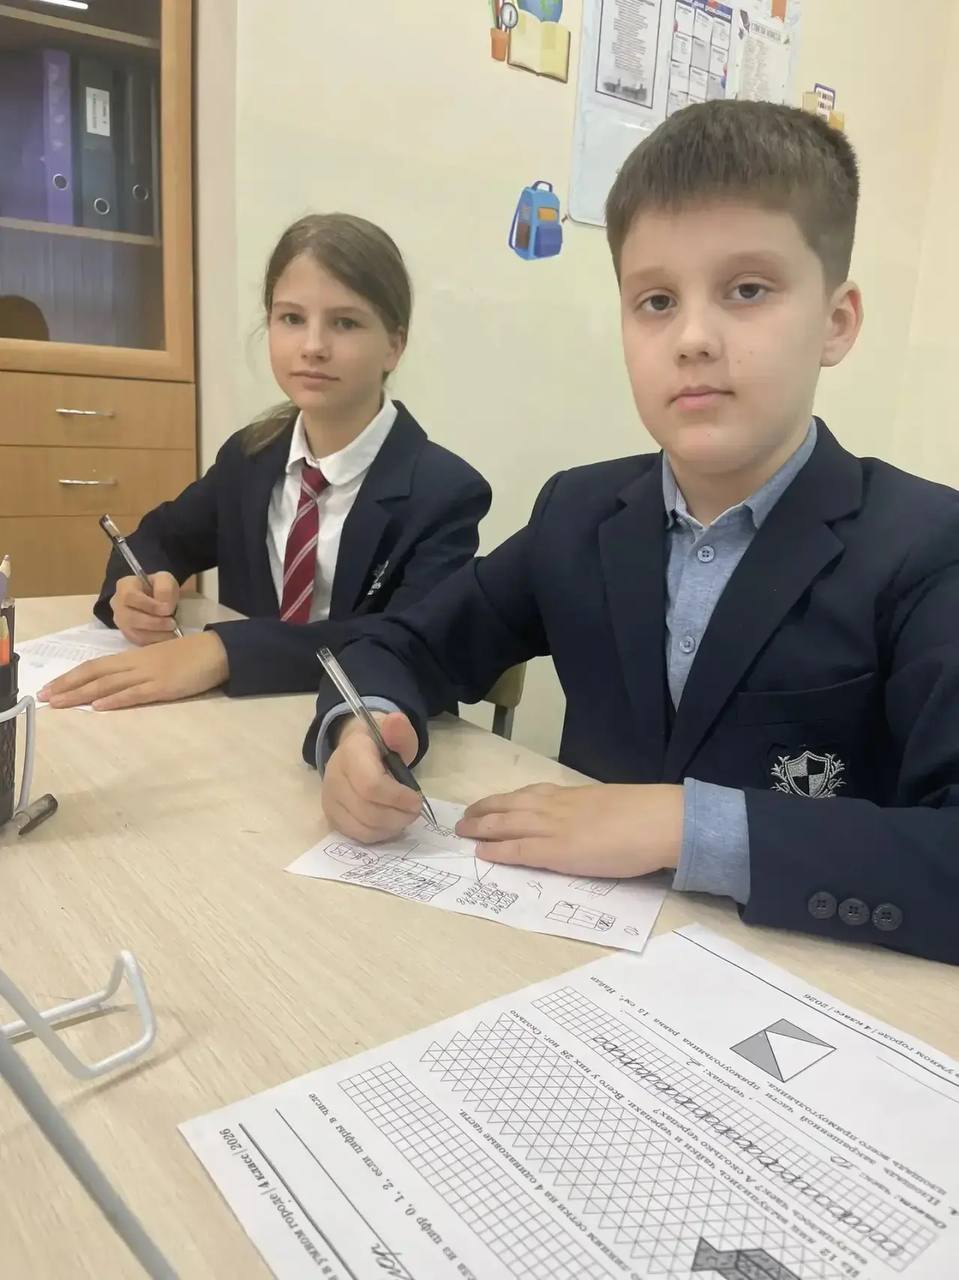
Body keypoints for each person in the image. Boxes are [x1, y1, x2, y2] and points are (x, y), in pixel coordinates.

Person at [309, 102, 959, 966]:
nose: (691, 338)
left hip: (805, 985)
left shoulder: (926, 545)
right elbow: (403, 643)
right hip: (561, 959)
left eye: (747, 290)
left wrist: (682, 824)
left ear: (835, 322)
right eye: (655, 301)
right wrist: (361, 729)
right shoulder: (579, 514)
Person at [41, 214, 491, 709]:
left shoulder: (445, 492)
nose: (313, 347)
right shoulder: (250, 458)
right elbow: (158, 539)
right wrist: (134, 590)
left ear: (394, 345)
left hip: (363, 723)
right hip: (243, 720)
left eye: (345, 322)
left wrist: (224, 652)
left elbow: (410, 641)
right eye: (291, 319)